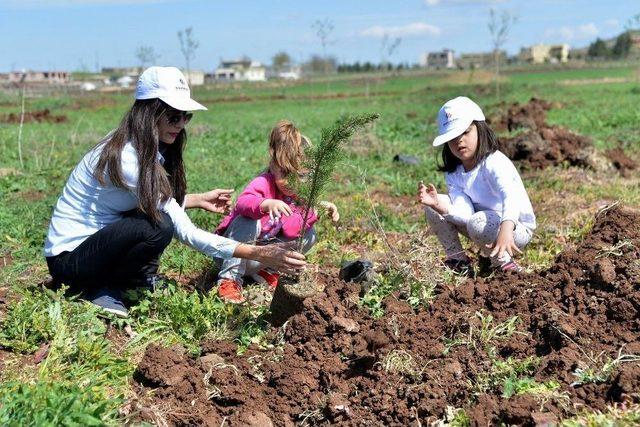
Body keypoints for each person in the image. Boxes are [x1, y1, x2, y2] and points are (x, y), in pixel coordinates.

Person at [44, 66, 306, 317]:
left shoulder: (142, 145)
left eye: (185, 116)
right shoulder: (128, 158)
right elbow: (186, 232)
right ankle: (97, 288)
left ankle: (127, 282)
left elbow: (145, 199)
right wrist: (258, 253)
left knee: (156, 222)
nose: (180, 124)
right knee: (158, 226)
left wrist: (194, 200)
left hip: (95, 246)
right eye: (173, 116)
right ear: (149, 113)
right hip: (70, 262)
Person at [214, 120, 339, 303]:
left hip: (259, 258)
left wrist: (316, 210)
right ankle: (229, 279)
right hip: (233, 254)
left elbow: (292, 229)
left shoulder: (298, 196)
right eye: (286, 174)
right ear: (273, 165)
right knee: (247, 221)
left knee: (309, 234)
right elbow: (242, 203)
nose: (293, 182)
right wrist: (265, 204)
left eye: (301, 176)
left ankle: (267, 271)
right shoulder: (264, 182)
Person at [417, 96, 536, 275]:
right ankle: (458, 260)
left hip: (514, 226)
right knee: (434, 208)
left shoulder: (494, 162)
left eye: (465, 132)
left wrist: (505, 229)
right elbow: (465, 213)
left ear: (480, 129)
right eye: (452, 138)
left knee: (478, 222)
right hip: (479, 225)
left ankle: (503, 264)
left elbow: (510, 197)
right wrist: (438, 205)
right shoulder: (454, 172)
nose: (459, 141)